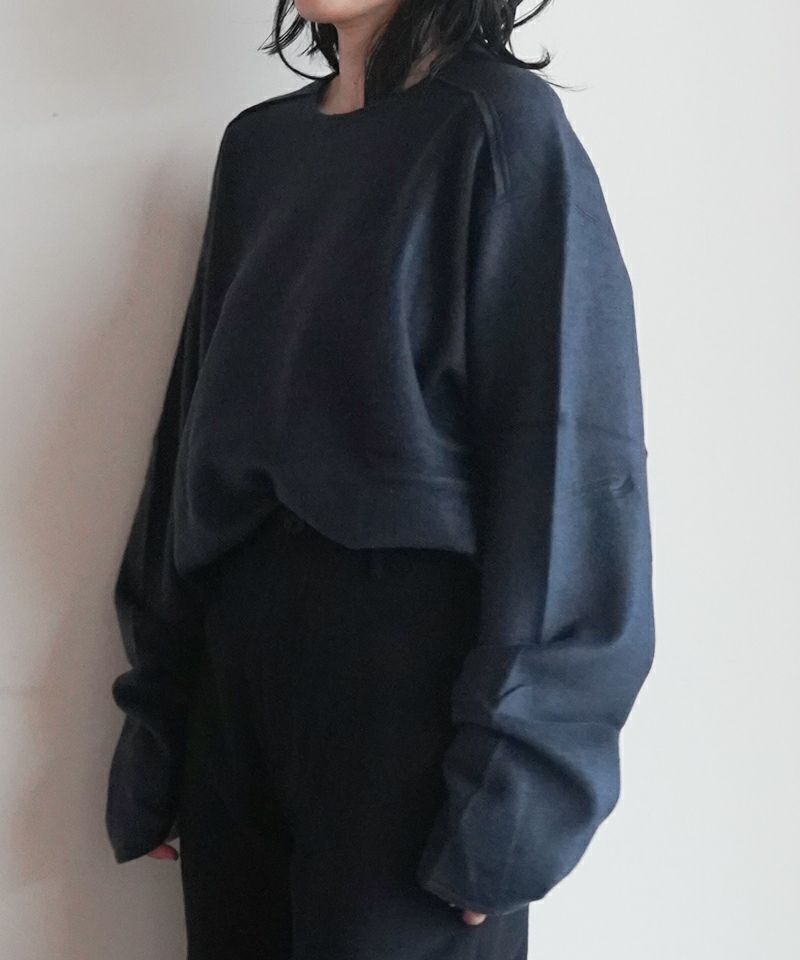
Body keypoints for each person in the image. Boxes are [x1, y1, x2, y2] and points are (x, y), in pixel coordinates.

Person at [104, 3, 656, 958]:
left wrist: (521, 787)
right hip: (236, 676)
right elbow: (193, 436)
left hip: (408, 694)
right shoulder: (258, 148)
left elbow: (572, 462)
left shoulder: (497, 125)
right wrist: (162, 715)